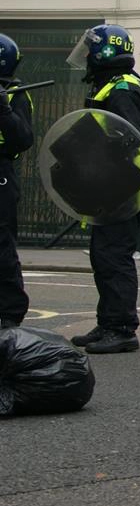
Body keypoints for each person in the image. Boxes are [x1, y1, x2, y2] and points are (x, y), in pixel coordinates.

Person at [66, 24, 140, 355]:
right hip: (111, 185)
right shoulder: (112, 85)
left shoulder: (121, 89)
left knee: (114, 258)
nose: (87, 58)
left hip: (121, 186)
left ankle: (121, 328)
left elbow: (126, 138)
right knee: (103, 255)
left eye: (91, 51)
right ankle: (108, 322)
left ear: (104, 53)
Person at [0, 34, 35, 329]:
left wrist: (4, 111)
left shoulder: (16, 94)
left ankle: (10, 311)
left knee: (1, 246)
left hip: (0, 171)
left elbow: (23, 139)